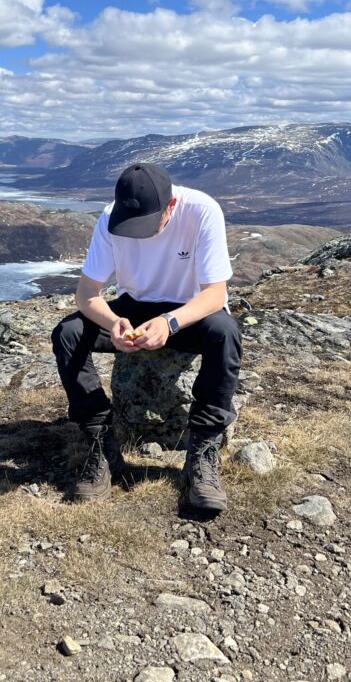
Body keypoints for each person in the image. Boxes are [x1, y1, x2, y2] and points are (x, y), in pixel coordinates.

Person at [51, 161, 241, 515]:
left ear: (170, 206)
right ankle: (101, 447)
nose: (136, 234)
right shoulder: (111, 218)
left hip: (188, 311)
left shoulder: (201, 211)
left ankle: (202, 454)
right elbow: (86, 293)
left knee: (225, 332)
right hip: (134, 307)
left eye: (146, 226)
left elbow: (215, 294)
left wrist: (170, 323)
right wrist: (112, 323)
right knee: (68, 333)